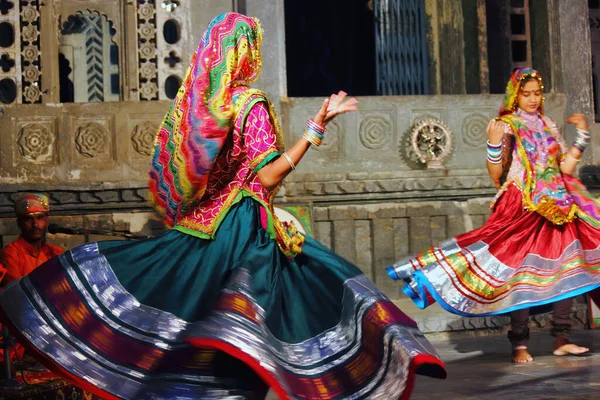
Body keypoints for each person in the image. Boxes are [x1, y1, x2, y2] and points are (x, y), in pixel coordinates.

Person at [0, 12, 445, 399]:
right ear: (243, 52)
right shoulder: (250, 103)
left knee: (193, 321)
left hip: (201, 229)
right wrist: (316, 127)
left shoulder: (205, 109)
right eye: (253, 44)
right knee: (314, 295)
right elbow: (267, 176)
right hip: (246, 231)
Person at [387, 68, 600, 364]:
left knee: (566, 269)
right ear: (515, 95)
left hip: (558, 204)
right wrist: (492, 141)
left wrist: (582, 136)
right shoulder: (506, 125)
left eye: (537, 93)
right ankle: (519, 343)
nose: (533, 99)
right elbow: (496, 174)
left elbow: (564, 168)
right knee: (521, 273)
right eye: (526, 94)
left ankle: (562, 338)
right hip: (523, 204)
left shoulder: (547, 123)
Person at [0, 193, 63, 286]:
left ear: (47, 220)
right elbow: (18, 293)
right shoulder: (11, 254)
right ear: (19, 223)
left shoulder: (56, 252)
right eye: (28, 219)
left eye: (40, 217)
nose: (35, 225)